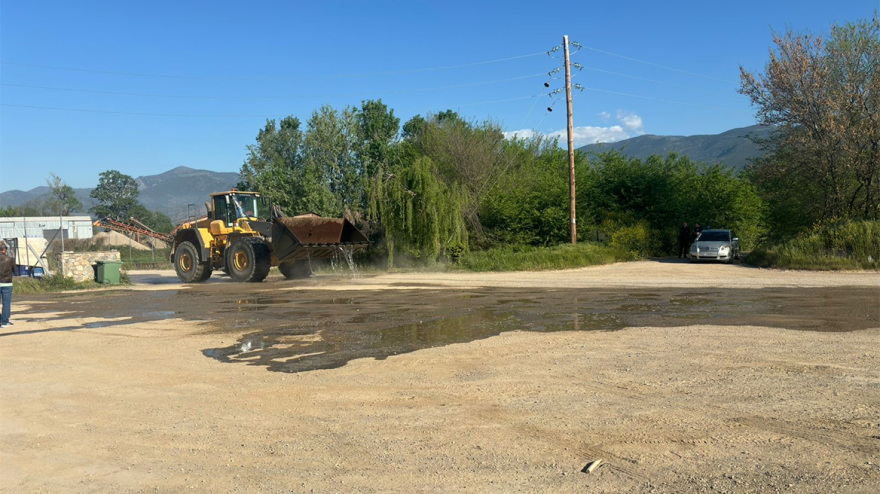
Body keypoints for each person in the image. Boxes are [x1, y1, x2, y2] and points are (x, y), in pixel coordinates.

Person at [0, 242, 13, 328]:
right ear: (4, 249)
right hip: (7, 283)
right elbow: (14, 269)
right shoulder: (10, 259)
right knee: (6, 303)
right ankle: (5, 322)